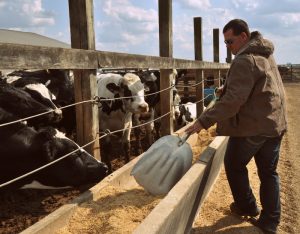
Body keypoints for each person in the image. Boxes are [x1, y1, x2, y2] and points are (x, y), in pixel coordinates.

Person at [185, 19, 287, 234]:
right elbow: (257, 85)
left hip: (255, 125)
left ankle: (247, 206)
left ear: (243, 37)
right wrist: (229, 87)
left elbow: (233, 102)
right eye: (225, 43)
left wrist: (203, 121)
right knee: (269, 172)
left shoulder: (244, 60)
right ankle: (270, 221)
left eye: (229, 41)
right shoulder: (265, 53)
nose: (228, 47)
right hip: (275, 122)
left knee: (233, 163)